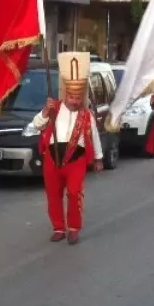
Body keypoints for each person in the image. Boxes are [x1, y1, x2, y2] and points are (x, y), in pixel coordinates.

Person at [26, 52, 104, 244]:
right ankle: (58, 227)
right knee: (53, 194)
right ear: (66, 94)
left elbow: (94, 136)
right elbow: (36, 124)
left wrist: (99, 158)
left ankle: (74, 228)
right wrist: (45, 111)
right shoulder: (54, 107)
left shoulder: (87, 115)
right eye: (71, 97)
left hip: (75, 159)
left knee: (75, 192)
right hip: (52, 158)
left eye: (78, 98)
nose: (74, 101)